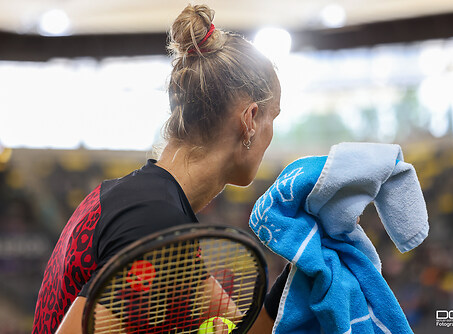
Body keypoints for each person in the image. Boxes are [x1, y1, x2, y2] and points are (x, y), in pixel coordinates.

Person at [32, 4, 283, 333]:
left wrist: (301, 272)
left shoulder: (143, 203)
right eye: (273, 117)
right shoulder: (154, 220)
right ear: (249, 120)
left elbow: (243, 329)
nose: (271, 133)